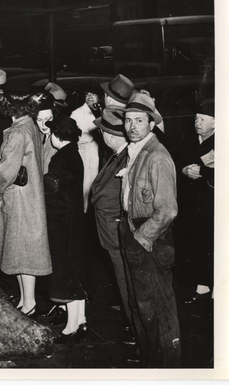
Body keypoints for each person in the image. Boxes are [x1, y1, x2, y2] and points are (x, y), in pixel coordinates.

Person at [119, 92, 181, 367]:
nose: (132, 126)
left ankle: (167, 368)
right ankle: (150, 361)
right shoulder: (136, 151)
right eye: (128, 120)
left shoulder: (157, 157)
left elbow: (168, 209)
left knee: (158, 308)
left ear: (151, 124)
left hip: (150, 239)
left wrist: (142, 237)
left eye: (139, 121)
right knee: (142, 305)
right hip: (135, 232)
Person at [0, 90, 52, 318]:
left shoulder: (17, 132)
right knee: (21, 253)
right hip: (31, 196)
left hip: (19, 198)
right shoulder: (31, 127)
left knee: (23, 255)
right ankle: (27, 301)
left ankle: (30, 303)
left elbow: (6, 171)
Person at [89, 108, 134, 341]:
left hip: (116, 231)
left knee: (127, 284)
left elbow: (110, 196)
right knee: (123, 282)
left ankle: (136, 332)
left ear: (109, 135)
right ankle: (132, 325)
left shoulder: (125, 157)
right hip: (110, 230)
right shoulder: (117, 155)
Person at [43, 114, 87, 343]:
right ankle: (80, 321)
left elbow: (56, 194)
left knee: (65, 276)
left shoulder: (60, 159)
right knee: (75, 275)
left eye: (51, 133)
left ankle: (71, 328)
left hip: (62, 224)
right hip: (75, 222)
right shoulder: (74, 155)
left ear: (57, 136)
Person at [179, 99, 215, 304]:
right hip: (193, 203)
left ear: (215, 123)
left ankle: (216, 291)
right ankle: (201, 287)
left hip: (211, 202)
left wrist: (203, 172)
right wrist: (184, 170)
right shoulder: (189, 139)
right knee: (196, 243)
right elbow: (179, 160)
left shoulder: (224, 140)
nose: (197, 122)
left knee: (212, 244)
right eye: (195, 118)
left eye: (202, 119)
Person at [70, 82, 103, 211]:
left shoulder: (102, 111)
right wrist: (91, 137)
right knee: (86, 189)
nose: (89, 97)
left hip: (100, 156)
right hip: (86, 155)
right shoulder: (77, 114)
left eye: (93, 94)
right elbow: (73, 137)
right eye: (87, 94)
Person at [33, 91, 58, 171]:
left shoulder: (59, 139)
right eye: (39, 120)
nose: (44, 124)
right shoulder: (37, 135)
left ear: (54, 117)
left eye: (48, 119)